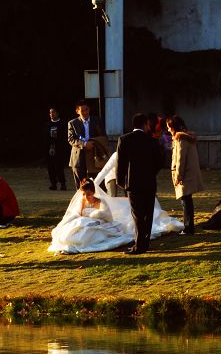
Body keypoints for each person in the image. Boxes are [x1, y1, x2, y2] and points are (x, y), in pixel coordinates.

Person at [48, 160, 183, 254]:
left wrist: (93, 216)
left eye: (89, 194)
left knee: (87, 234)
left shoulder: (100, 202)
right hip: (84, 223)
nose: (87, 197)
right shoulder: (82, 201)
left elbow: (107, 216)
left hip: (99, 224)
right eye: (85, 194)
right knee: (72, 231)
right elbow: (77, 214)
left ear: (93, 193)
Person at [116, 112, 165, 254]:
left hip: (132, 183)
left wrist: (121, 181)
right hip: (149, 182)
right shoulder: (152, 141)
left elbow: (121, 163)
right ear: (145, 124)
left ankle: (139, 245)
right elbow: (159, 162)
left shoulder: (124, 139)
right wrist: (151, 174)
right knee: (147, 214)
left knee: (137, 214)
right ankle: (145, 242)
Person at [166, 114, 205, 235]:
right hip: (189, 173)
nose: (168, 130)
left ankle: (188, 227)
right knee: (187, 200)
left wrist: (178, 175)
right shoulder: (188, 138)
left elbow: (180, 159)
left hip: (184, 174)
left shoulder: (180, 139)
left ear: (173, 127)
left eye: (169, 127)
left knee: (185, 201)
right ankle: (189, 226)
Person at [67, 100, 108, 185]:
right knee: (80, 185)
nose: (85, 112)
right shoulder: (72, 123)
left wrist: (95, 143)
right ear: (77, 111)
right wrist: (85, 144)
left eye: (87, 110)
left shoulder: (97, 121)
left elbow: (103, 136)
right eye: (82, 110)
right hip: (78, 157)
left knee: (98, 184)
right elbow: (71, 139)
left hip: (95, 156)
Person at [45, 107, 68, 191]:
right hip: (50, 149)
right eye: (50, 113)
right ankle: (53, 184)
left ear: (57, 113)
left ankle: (63, 184)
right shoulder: (48, 124)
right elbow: (46, 137)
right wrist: (50, 147)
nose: (51, 114)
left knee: (59, 167)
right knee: (50, 167)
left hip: (60, 148)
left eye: (53, 112)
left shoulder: (62, 123)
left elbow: (65, 136)